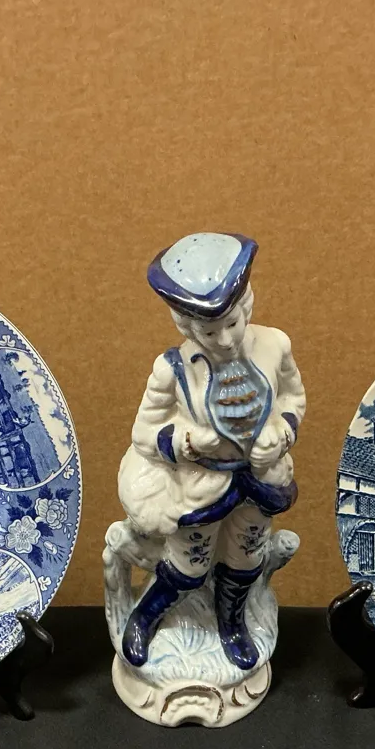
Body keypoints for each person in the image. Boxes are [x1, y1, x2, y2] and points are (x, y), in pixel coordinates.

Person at [116, 233, 306, 670]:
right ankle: (144, 618)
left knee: (246, 557)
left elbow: (293, 397)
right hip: (203, 484)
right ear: (186, 327)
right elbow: (144, 431)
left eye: (232, 324)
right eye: (208, 331)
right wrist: (186, 441)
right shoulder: (172, 370)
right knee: (189, 564)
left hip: (261, 478)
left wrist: (282, 431)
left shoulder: (275, 345)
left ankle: (232, 623)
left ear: (246, 307)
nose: (223, 339)